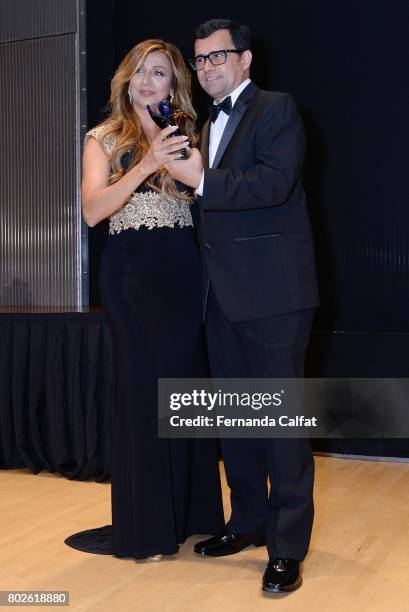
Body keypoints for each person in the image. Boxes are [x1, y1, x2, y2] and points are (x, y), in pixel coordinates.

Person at [165, 19, 319, 592]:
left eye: (218, 56)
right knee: (235, 419)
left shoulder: (277, 109)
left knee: (279, 424)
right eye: (200, 60)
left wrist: (201, 182)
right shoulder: (204, 124)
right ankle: (248, 521)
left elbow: (273, 184)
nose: (207, 67)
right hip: (221, 298)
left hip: (275, 298)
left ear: (246, 59)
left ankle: (287, 547)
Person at [64, 39, 224, 561]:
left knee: (185, 389)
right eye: (139, 72)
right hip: (131, 275)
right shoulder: (103, 138)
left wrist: (178, 153)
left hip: (183, 273)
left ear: (174, 82)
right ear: (126, 81)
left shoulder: (185, 135)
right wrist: (144, 163)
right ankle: (147, 527)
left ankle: (195, 516)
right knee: (143, 391)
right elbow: (92, 212)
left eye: (159, 72)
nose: (147, 81)